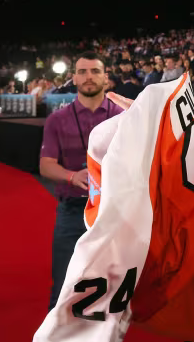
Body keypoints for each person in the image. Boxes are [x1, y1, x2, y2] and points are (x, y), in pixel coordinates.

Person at [39, 51, 124, 310]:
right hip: (73, 210)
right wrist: (72, 176)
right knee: (64, 288)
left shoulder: (124, 117)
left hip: (114, 212)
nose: (89, 77)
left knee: (112, 290)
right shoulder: (57, 120)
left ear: (106, 78)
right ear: (73, 78)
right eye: (83, 72)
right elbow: (46, 165)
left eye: (95, 71)